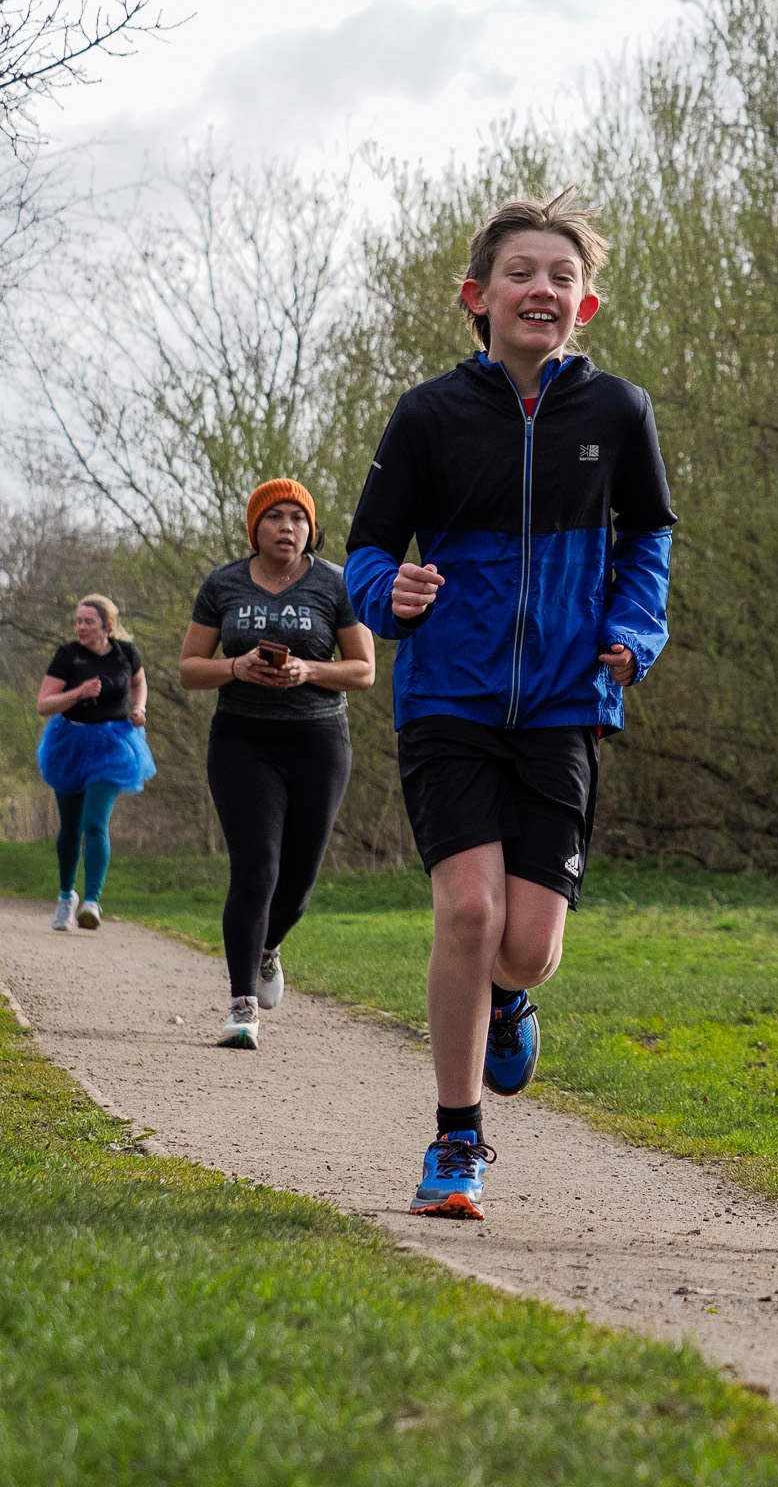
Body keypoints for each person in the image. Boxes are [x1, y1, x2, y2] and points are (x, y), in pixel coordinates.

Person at [345, 189, 675, 1221]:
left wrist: (637, 631)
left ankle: (508, 998)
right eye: (522, 272)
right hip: (449, 694)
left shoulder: (617, 412)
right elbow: (363, 551)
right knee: (469, 908)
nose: (542, 288)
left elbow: (650, 538)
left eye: (561, 277)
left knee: (528, 941)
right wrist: (384, 597)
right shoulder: (429, 414)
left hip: (567, 705)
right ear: (475, 296)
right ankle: (456, 1134)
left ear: (588, 304)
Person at [179, 479, 376, 1051]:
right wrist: (235, 667)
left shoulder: (336, 583)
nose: (287, 527)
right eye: (274, 518)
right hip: (243, 741)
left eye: (297, 518)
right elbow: (190, 668)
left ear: (310, 529)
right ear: (255, 528)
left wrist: (310, 671)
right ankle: (241, 1007)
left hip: (318, 741)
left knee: (297, 885)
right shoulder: (223, 583)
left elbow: (363, 670)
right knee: (255, 871)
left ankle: (267, 947)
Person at [38, 595, 157, 931]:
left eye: (88, 622)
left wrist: (140, 708)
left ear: (107, 625)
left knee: (95, 822)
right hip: (70, 743)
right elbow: (44, 705)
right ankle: (66, 897)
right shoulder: (67, 655)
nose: (81, 628)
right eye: (78, 621)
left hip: (112, 745)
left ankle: (91, 901)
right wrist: (77, 694)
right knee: (70, 829)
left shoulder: (126, 653)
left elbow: (139, 683)